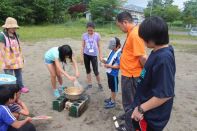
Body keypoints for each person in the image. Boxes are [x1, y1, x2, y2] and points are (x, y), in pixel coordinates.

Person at [131, 16, 176, 130]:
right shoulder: (158, 51)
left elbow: (165, 95)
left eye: (144, 38)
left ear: (152, 38)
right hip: (145, 108)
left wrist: (140, 109)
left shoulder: (164, 58)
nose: (143, 40)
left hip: (150, 116)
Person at [116, 12, 147, 130]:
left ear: (125, 22)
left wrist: (145, 74)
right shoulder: (131, 32)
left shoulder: (135, 34)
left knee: (129, 103)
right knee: (129, 101)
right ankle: (129, 119)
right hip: (129, 73)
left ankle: (129, 128)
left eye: (119, 26)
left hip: (131, 75)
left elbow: (142, 57)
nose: (120, 28)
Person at [0, 17, 29, 93]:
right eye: (13, 27)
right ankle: (11, 91)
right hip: (7, 59)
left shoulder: (16, 35)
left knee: (18, 74)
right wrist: (6, 60)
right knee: (10, 76)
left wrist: (22, 57)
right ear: (7, 27)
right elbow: (2, 49)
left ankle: (20, 87)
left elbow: (19, 48)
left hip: (17, 58)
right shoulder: (2, 35)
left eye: (15, 27)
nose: (14, 29)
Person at [81, 22, 103, 91]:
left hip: (94, 55)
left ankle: (99, 84)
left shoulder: (97, 35)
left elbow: (99, 46)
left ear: (94, 29)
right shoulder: (84, 35)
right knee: (88, 70)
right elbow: (82, 46)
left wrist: (100, 55)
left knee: (95, 70)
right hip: (86, 55)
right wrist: (81, 56)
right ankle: (89, 84)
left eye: (91, 30)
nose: (90, 32)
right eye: (88, 30)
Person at [101, 37, 121, 109]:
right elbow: (111, 60)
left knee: (114, 88)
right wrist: (105, 60)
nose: (112, 49)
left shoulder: (119, 54)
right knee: (111, 87)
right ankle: (111, 98)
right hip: (109, 73)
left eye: (113, 47)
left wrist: (110, 66)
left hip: (114, 74)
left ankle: (113, 102)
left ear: (118, 46)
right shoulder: (113, 51)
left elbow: (120, 66)